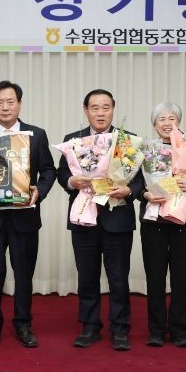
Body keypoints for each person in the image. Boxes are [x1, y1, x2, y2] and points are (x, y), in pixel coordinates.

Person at [0, 80, 56, 349]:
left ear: (19, 104)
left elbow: (49, 170)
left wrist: (40, 190)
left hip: (25, 217)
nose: (5, 107)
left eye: (10, 102)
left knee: (24, 274)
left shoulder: (36, 134)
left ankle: (23, 324)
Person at [57, 89, 144, 351]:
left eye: (105, 107)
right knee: (87, 276)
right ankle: (90, 326)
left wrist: (129, 190)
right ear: (85, 110)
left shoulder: (127, 141)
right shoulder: (73, 140)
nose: (100, 113)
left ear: (113, 109)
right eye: (94, 108)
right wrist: (72, 181)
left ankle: (120, 329)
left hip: (117, 217)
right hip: (84, 217)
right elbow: (62, 174)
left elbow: (140, 179)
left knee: (118, 277)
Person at [138, 102, 186, 348]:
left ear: (179, 122)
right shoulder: (144, 149)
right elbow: (135, 184)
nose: (167, 123)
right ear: (154, 124)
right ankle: (156, 330)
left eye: (172, 118)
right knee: (155, 277)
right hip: (154, 220)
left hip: (185, 221)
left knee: (182, 277)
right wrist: (145, 194)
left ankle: (180, 329)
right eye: (161, 119)